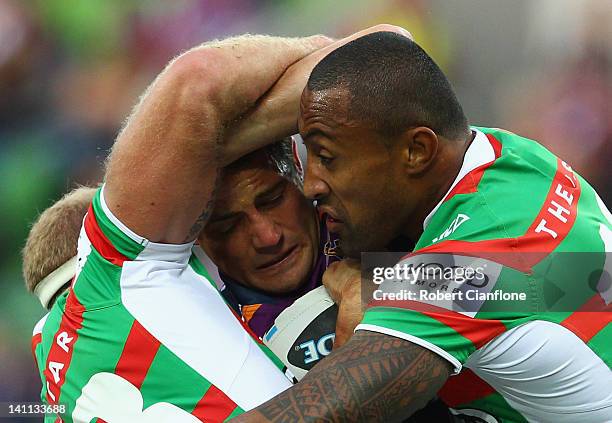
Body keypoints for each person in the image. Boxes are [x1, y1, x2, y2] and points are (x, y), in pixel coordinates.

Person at [30, 25, 411, 422]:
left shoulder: (366, 218)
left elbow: (479, 284)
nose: (267, 236)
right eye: (228, 226)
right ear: (194, 244)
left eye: (273, 199)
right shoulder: (205, 328)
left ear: (300, 172)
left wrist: (381, 282)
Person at [234, 32, 612, 422]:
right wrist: (373, 278)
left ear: (417, 151)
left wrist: (369, 284)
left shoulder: (462, 268)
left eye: (328, 157)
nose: (311, 183)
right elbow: (522, 284)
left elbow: (325, 408)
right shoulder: (514, 154)